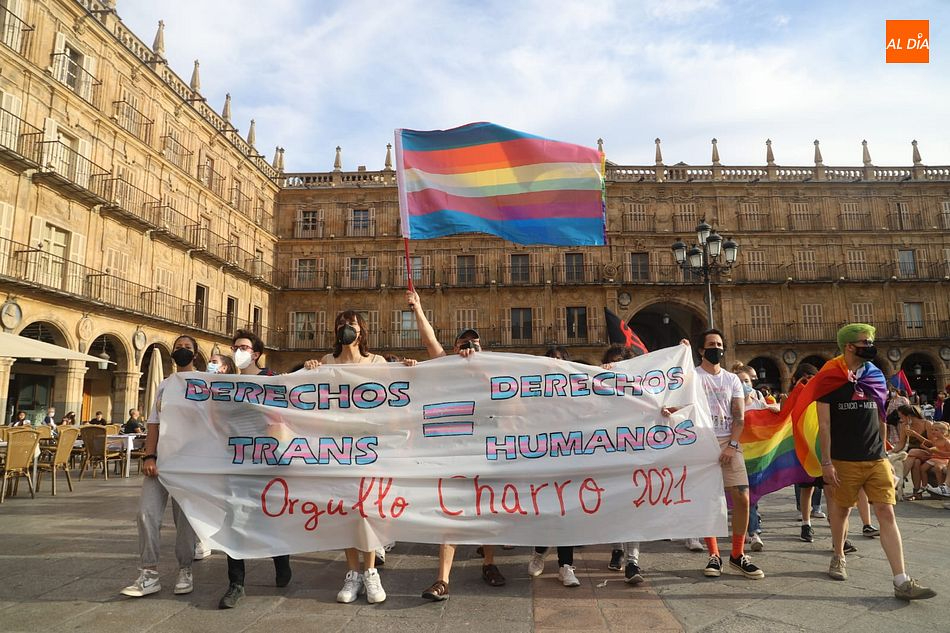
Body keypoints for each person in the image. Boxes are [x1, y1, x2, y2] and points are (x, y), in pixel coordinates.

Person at [819, 323, 934, 600]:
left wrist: (883, 447)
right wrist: (826, 463)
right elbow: (824, 425)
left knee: (886, 511)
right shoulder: (829, 377)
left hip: (875, 457)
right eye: (865, 341)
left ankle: (901, 580)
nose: (870, 345)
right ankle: (838, 555)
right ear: (849, 346)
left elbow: (881, 414)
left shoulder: (876, 376)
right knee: (843, 511)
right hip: (844, 458)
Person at [407, 290, 506, 601]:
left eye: (474, 343)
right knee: (450, 512)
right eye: (464, 343)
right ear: (453, 348)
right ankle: (442, 579)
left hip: (485, 452)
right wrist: (419, 308)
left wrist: (476, 363)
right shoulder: (444, 366)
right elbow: (428, 340)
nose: (469, 346)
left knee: (485, 510)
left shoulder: (492, 371)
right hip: (451, 452)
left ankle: (489, 562)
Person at [318, 310, 416, 605]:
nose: (346, 329)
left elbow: (396, 390)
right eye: (341, 324)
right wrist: (309, 368)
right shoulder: (326, 362)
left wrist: (410, 370)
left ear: (362, 331)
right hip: (338, 447)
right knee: (348, 510)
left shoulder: (377, 363)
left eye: (352, 325)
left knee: (366, 510)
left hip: (371, 447)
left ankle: (371, 571)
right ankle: (352, 573)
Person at [674, 329, 765, 579]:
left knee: (743, 496)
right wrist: (680, 353)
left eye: (720, 344)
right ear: (702, 350)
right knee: (708, 499)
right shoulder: (693, 375)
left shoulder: (732, 380)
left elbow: (738, 416)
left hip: (728, 441)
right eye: (712, 344)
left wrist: (732, 445)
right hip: (701, 441)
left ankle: (737, 554)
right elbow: (675, 390)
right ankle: (714, 555)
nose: (717, 348)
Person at [218, 329, 293, 609]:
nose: (239, 350)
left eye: (245, 347)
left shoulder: (270, 379)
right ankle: (236, 583)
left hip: (267, 460)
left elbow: (282, 416)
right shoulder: (225, 384)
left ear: (256, 353)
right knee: (234, 521)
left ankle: (281, 559)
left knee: (270, 517)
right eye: (236, 346)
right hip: (235, 461)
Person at [120, 335, 199, 599]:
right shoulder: (164, 386)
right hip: (161, 460)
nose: (182, 351)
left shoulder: (205, 383)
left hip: (189, 464)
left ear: (195, 355)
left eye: (187, 348)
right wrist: (149, 456)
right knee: (146, 514)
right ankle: (149, 572)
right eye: (178, 348)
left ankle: (185, 569)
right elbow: (154, 423)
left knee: (185, 520)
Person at [528, 346, 582, 587]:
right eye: (550, 360)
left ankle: (565, 565)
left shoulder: (578, 393)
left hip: (569, 460)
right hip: (541, 461)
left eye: (559, 359)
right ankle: (539, 552)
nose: (555, 363)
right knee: (546, 510)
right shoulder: (533, 393)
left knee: (566, 513)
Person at [733, 364, 779, 552]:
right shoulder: (731, 404)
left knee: (750, 497)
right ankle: (749, 532)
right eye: (741, 381)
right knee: (742, 497)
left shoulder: (758, 402)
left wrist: (775, 408)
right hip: (736, 455)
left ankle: (749, 531)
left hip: (755, 458)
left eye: (747, 381)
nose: (745, 384)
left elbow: (771, 413)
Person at [896, 404, 935, 499]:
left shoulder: (927, 424)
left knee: (912, 452)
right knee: (916, 462)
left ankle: (898, 481)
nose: (900, 419)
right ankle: (917, 492)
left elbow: (932, 444)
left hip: (927, 451)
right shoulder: (904, 426)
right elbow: (901, 444)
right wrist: (890, 452)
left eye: (901, 417)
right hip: (914, 455)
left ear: (908, 416)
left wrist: (916, 435)